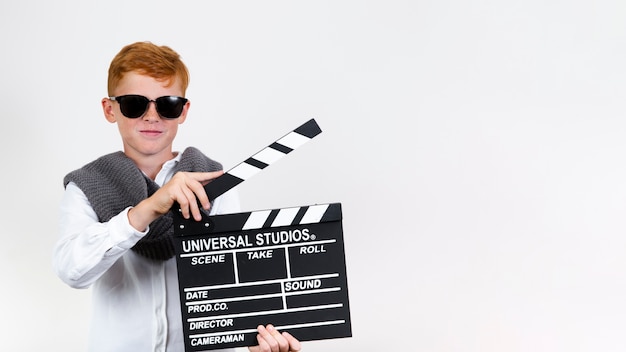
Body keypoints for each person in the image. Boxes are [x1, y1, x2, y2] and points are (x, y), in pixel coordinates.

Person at [53, 41, 302, 352]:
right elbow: (72, 271)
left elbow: (229, 280)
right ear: (109, 109)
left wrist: (253, 343)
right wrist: (146, 211)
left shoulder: (215, 182)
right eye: (135, 104)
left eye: (166, 104)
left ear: (183, 110)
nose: (152, 116)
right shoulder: (87, 186)